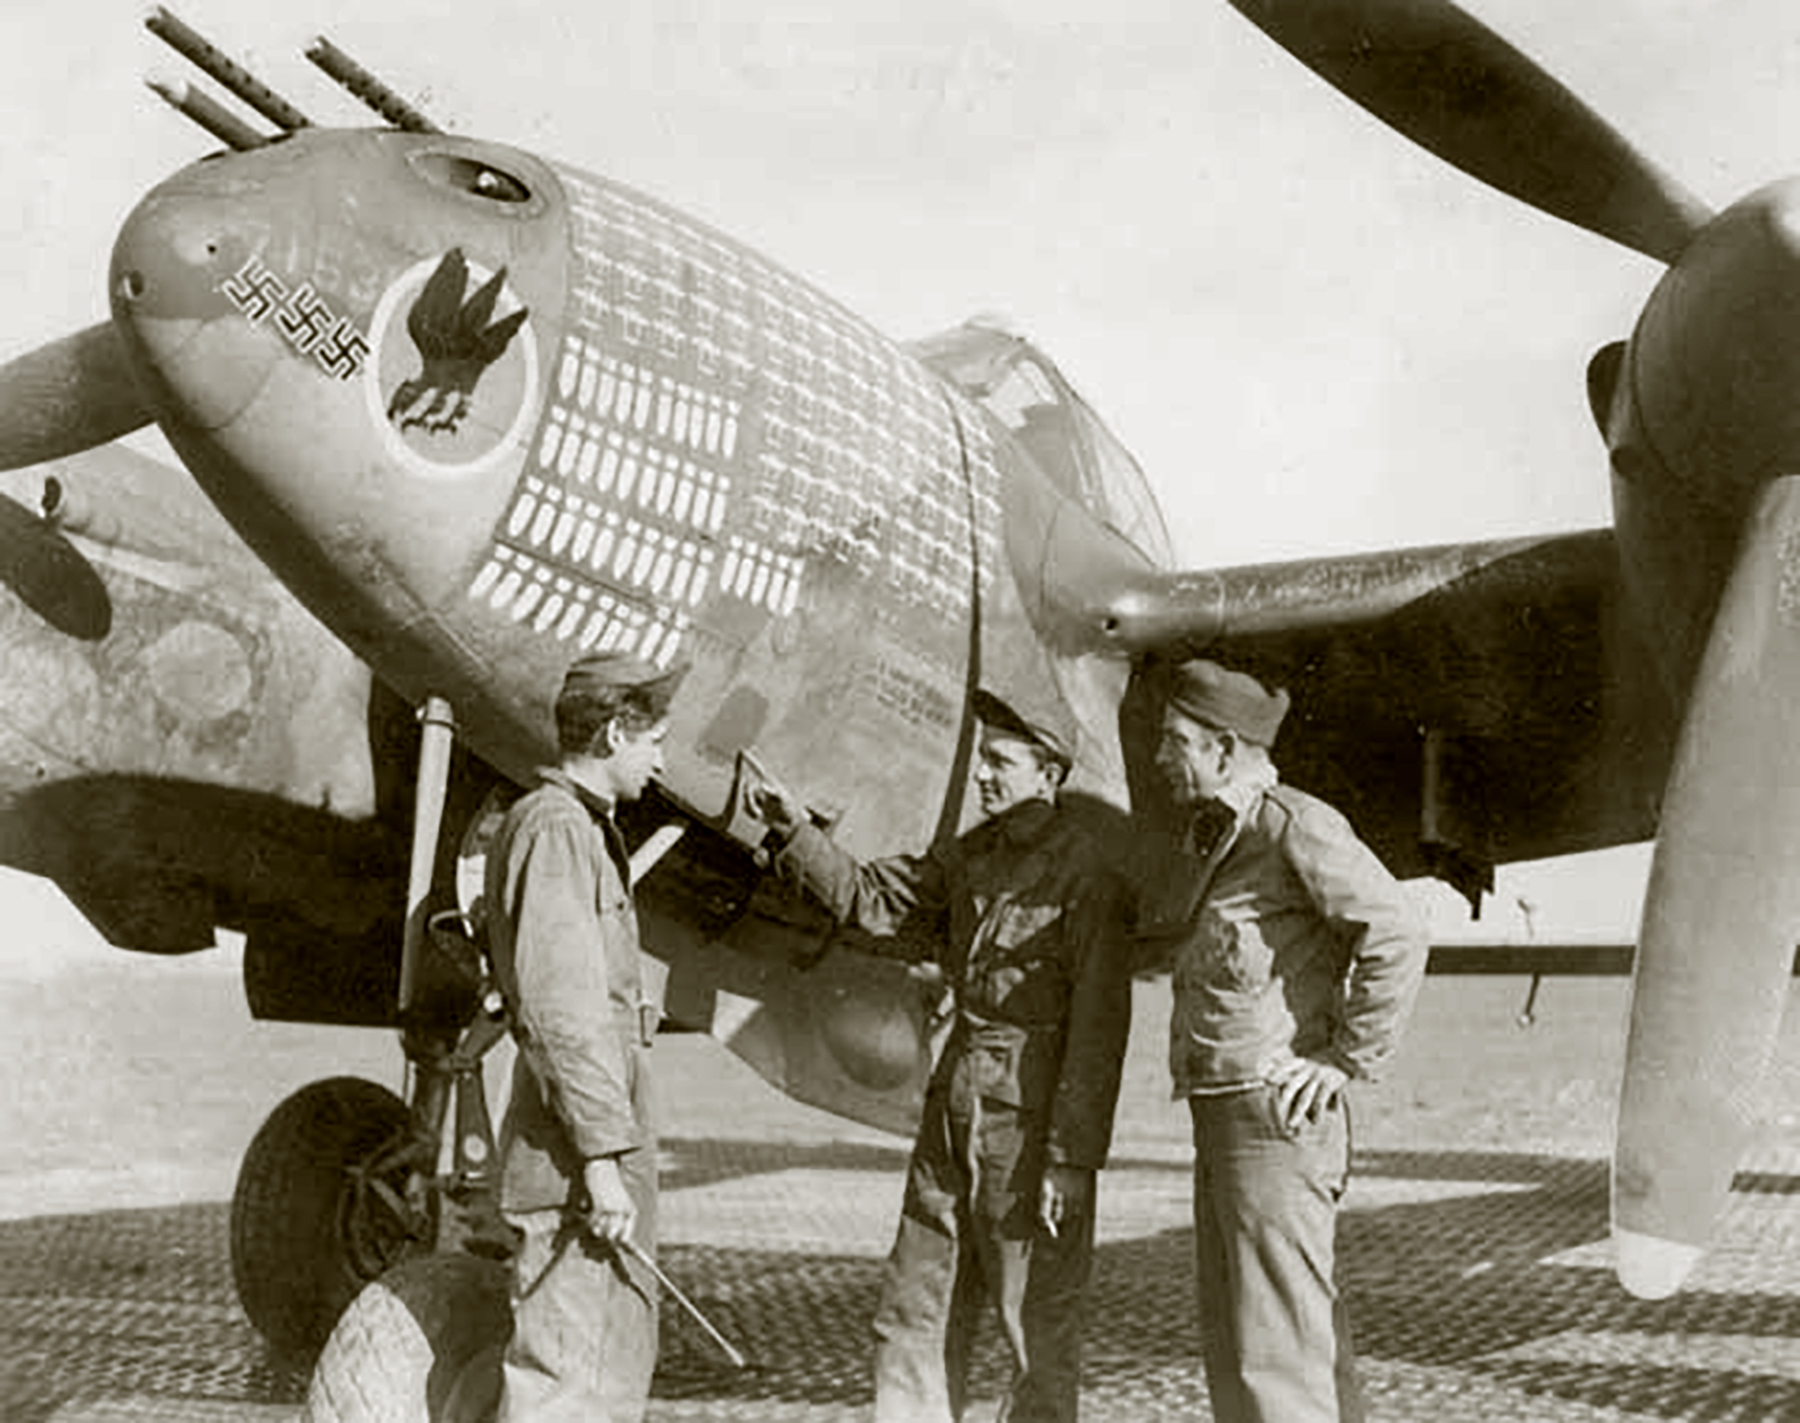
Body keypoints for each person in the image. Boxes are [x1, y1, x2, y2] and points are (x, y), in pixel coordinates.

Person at [747, 690, 1133, 1423]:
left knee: (1033, 1316)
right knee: (915, 1300)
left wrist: (1071, 1159)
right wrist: (793, 830)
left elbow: (1098, 1028)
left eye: (1000, 761)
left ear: (1048, 773)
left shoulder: (1089, 876)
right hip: (954, 1101)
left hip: (1028, 1117)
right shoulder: (971, 856)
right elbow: (873, 902)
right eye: (983, 758)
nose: (982, 774)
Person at [1142, 658, 1428, 1423]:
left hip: (1272, 1122)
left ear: (1224, 748)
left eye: (1175, 741)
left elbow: (1398, 931)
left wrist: (1345, 1058)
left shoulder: (1293, 825)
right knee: (1249, 1343)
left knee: (1276, 1355)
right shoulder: (1220, 835)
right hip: (1224, 1112)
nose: (1160, 756)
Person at [485, 650, 686, 1423]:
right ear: (612, 734)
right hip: (577, 1151)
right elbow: (563, 1008)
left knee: (604, 1356)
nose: (661, 760)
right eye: (653, 741)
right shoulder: (559, 829)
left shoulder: (574, 827)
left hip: (589, 1132)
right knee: (572, 1369)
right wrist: (602, 1162)